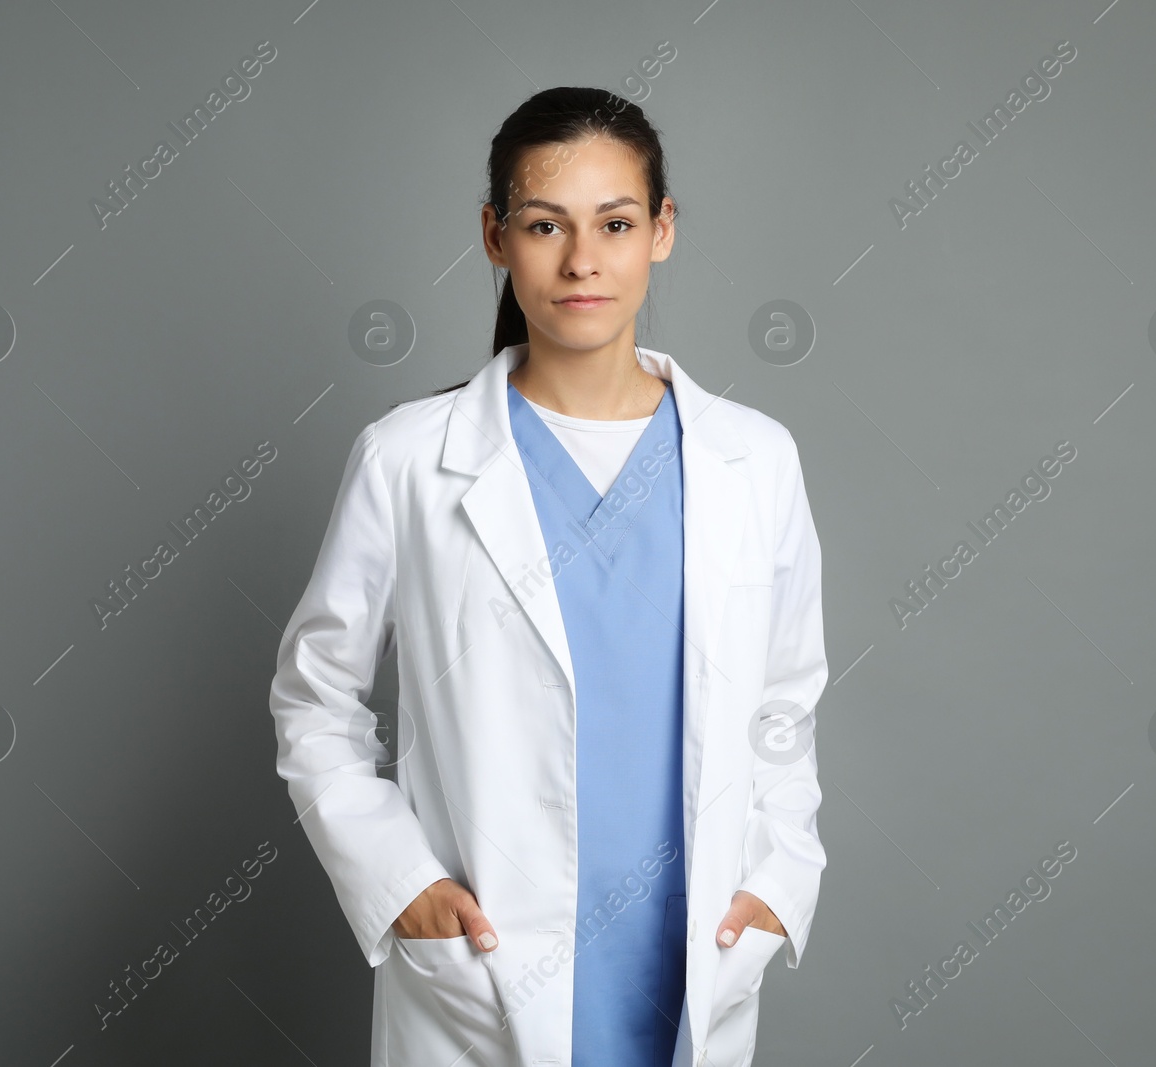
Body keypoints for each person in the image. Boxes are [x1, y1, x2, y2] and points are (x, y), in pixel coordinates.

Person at [268, 86, 828, 1067]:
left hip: (691, 957)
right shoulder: (407, 457)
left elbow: (784, 703)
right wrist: (397, 879)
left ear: (661, 231)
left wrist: (779, 882)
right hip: (483, 974)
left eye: (614, 223)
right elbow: (315, 700)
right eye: (542, 224)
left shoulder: (754, 458)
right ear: (494, 237)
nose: (581, 260)